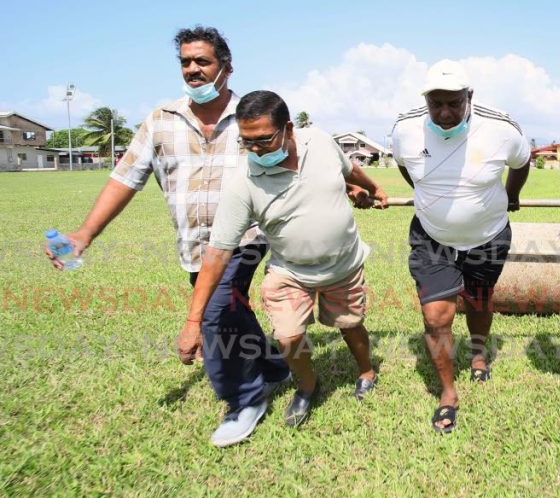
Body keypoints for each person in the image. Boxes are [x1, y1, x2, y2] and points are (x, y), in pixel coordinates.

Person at [46, 26, 293, 447]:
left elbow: (294, 160)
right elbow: (126, 179)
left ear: (226, 68)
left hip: (246, 238)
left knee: (214, 315)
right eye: (186, 62)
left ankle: (245, 400)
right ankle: (273, 367)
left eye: (203, 61)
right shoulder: (161, 121)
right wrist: (85, 234)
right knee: (233, 310)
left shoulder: (250, 117)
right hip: (194, 244)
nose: (193, 70)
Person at [182, 90, 388, 429]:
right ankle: (307, 386)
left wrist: (371, 187)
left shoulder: (319, 141)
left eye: (263, 140)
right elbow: (218, 253)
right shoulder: (243, 183)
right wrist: (193, 322)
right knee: (288, 336)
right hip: (290, 271)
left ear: (288, 129)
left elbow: (347, 167)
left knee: (350, 325)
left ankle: (366, 371)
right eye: (247, 143)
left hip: (344, 265)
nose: (255, 151)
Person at [391, 59, 531, 433]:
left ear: (470, 96)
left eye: (454, 103)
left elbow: (522, 162)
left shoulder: (501, 127)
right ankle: (448, 394)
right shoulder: (406, 129)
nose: (445, 113)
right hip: (432, 237)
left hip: (488, 237)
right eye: (436, 103)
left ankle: (480, 352)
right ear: (425, 100)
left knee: (479, 301)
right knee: (436, 316)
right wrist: (427, 193)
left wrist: (511, 195)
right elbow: (405, 165)